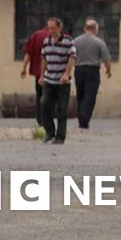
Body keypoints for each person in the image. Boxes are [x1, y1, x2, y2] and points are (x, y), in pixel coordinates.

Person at [39, 17, 77, 145]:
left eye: (53, 28)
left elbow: (72, 57)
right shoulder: (46, 41)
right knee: (44, 104)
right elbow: (44, 58)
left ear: (60, 28)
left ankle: (60, 137)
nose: (51, 31)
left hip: (62, 82)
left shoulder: (68, 41)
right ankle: (49, 131)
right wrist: (41, 75)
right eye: (49, 28)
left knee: (62, 109)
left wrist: (66, 74)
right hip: (49, 79)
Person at [72, 18, 112, 130]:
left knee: (80, 94)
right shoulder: (99, 42)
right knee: (90, 95)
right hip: (92, 71)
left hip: (79, 70)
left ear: (85, 28)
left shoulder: (75, 41)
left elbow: (70, 56)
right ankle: (84, 119)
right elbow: (106, 59)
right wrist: (108, 70)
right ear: (95, 29)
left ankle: (81, 118)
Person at [20, 23, 51, 126]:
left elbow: (28, 53)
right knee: (50, 96)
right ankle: (47, 118)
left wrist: (24, 68)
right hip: (52, 72)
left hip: (38, 72)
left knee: (39, 95)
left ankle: (40, 119)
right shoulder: (55, 36)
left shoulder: (36, 35)